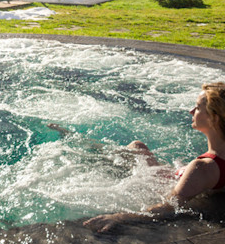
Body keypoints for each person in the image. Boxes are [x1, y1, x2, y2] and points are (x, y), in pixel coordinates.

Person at [83, 82, 225, 233]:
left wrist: (119, 218)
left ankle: (86, 150)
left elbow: (169, 207)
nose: (191, 111)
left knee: (136, 147)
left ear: (214, 118)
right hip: (172, 176)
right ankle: (90, 149)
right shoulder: (215, 159)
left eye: (197, 108)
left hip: (161, 182)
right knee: (138, 147)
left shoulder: (202, 167)